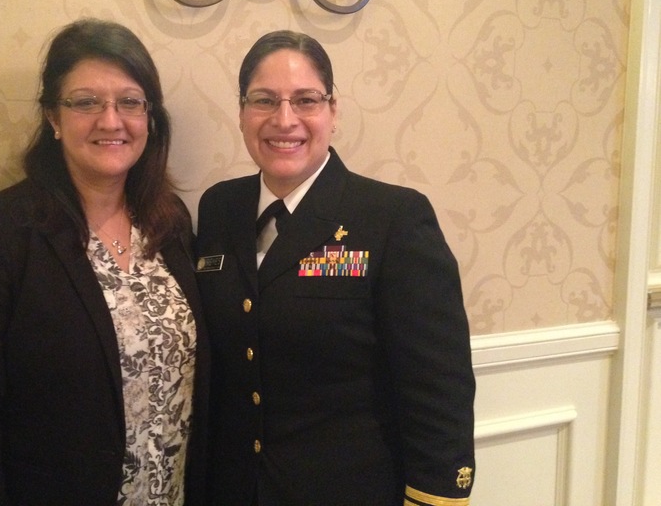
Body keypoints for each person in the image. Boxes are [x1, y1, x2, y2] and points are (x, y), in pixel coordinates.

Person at [0, 19, 209, 506]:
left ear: (149, 118)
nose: (111, 121)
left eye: (130, 102)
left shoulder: (171, 223)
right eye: (86, 102)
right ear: (53, 118)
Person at [195, 30, 475, 506]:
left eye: (306, 100)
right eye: (264, 100)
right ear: (242, 112)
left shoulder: (391, 218)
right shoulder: (220, 207)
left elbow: (438, 388)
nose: (285, 119)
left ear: (333, 111)